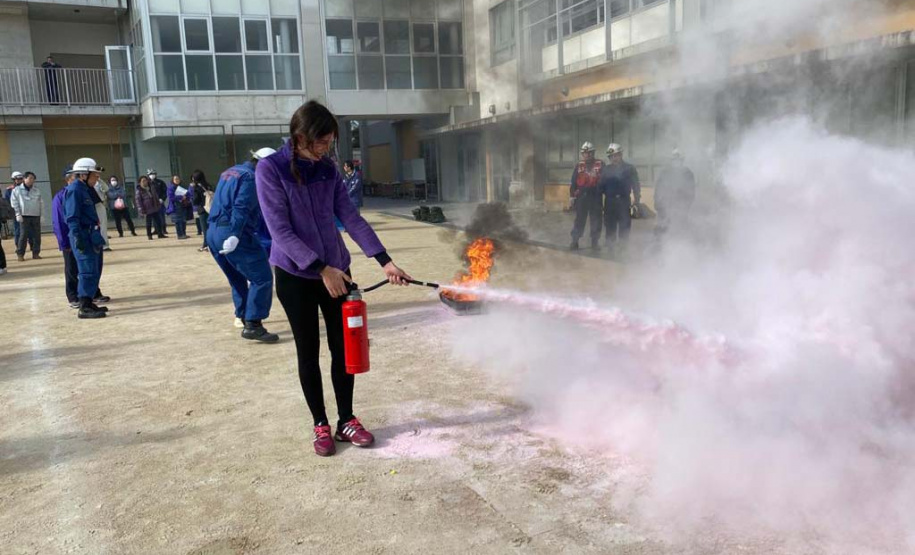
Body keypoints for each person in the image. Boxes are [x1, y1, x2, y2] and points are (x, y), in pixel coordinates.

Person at [257, 100, 412, 457]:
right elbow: (279, 230)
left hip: (338, 271)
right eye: (321, 142)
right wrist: (319, 269)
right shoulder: (271, 169)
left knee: (344, 349)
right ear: (300, 137)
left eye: (330, 142)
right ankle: (320, 424)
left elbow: (351, 218)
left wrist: (385, 261)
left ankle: (346, 419)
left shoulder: (327, 170)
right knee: (308, 351)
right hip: (296, 274)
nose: (327, 149)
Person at [207, 148, 279, 342]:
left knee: (237, 277)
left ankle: (242, 314)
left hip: (213, 231)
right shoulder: (251, 178)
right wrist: (234, 234)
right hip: (233, 231)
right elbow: (241, 207)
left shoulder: (230, 171)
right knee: (262, 277)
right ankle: (253, 324)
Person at [63, 158, 108, 319]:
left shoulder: (86, 189)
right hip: (82, 235)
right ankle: (84, 306)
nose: (97, 179)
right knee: (87, 271)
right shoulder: (75, 190)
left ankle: (89, 301)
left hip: (92, 234)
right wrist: (77, 238)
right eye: (94, 175)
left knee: (95, 269)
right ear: (83, 175)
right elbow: (72, 217)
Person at [601, 143, 641, 249]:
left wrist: (636, 201)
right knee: (610, 227)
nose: (614, 158)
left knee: (624, 226)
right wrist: (599, 204)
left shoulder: (629, 168)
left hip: (623, 201)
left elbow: (636, 185)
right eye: (611, 156)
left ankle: (623, 250)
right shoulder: (606, 169)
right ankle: (611, 249)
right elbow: (600, 187)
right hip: (610, 202)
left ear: (621, 154)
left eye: (616, 155)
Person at [654, 149, 697, 238]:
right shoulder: (664, 173)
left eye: (679, 160)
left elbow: (691, 191)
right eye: (674, 160)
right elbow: (658, 189)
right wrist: (657, 202)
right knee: (662, 228)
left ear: (682, 161)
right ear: (671, 161)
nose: (676, 162)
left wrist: (686, 205)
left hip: (680, 207)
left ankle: (679, 246)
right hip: (665, 206)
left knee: (680, 228)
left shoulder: (688, 174)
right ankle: (661, 247)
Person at [569, 142, 603, 251]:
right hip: (582, 197)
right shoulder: (579, 166)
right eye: (585, 153)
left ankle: (595, 242)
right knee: (579, 220)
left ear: (593, 153)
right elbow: (573, 182)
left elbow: (605, 180)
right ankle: (575, 241)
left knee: (596, 219)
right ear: (582, 154)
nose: (587, 155)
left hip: (595, 196)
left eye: (589, 153)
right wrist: (572, 196)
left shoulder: (600, 164)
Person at [11, 171, 43, 261]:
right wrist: (18, 214)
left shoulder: (36, 190)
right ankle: (20, 254)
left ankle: (36, 253)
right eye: (30, 178)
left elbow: (41, 203)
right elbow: (14, 202)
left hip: (35, 215)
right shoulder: (16, 190)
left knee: (37, 235)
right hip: (24, 215)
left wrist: (42, 215)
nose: (32, 180)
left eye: (33, 179)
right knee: (23, 235)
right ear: (24, 179)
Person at [190, 170, 212, 252]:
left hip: (202, 209)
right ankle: (210, 244)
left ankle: (206, 245)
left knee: (205, 229)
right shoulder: (208, 185)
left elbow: (195, 200)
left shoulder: (197, 188)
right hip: (210, 208)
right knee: (210, 227)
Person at [135, 175, 164, 240]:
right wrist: (141, 210)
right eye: (143, 181)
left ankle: (160, 234)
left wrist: (158, 204)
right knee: (149, 223)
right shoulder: (139, 191)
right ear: (140, 182)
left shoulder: (151, 188)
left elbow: (156, 196)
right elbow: (138, 201)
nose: (145, 182)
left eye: (146, 180)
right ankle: (149, 235)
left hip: (154, 207)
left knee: (158, 221)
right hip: (147, 209)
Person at [166, 175, 191, 240]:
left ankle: (184, 233)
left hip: (183, 206)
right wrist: (181, 197)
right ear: (173, 180)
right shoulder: (170, 188)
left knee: (183, 221)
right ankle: (179, 235)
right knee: (178, 221)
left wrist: (186, 197)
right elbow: (171, 197)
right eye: (175, 179)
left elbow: (188, 193)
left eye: (178, 179)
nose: (177, 180)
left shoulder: (182, 186)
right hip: (175, 206)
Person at [148, 169, 169, 236]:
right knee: (154, 216)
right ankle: (156, 229)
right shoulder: (147, 183)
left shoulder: (160, 182)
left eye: (153, 174)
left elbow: (165, 192)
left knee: (161, 216)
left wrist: (162, 199)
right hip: (151, 202)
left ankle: (163, 229)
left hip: (160, 202)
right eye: (150, 174)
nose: (152, 175)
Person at [93, 173, 111, 251]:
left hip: (99, 205)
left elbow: (106, 189)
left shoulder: (98, 183)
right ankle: (94, 244)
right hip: (90, 206)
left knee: (103, 225)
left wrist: (99, 180)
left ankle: (105, 245)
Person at [6, 172, 24, 246]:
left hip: (26, 210)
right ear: (14, 180)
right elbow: (8, 202)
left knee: (29, 230)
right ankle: (18, 245)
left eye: (20, 179)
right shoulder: (9, 190)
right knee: (18, 230)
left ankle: (32, 246)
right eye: (17, 179)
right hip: (16, 212)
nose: (19, 180)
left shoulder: (26, 188)